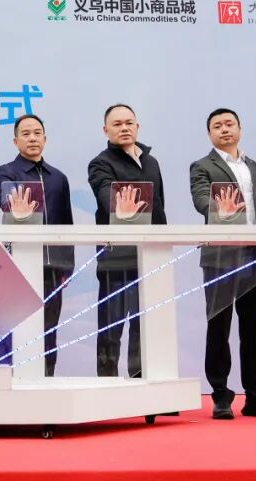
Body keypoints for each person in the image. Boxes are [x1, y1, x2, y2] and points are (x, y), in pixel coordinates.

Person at [189, 108, 256, 420]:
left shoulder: (252, 166)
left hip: (254, 255)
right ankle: (220, 395)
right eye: (217, 126)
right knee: (219, 326)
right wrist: (219, 208)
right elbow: (201, 200)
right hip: (220, 257)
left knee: (253, 328)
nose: (224, 129)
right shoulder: (202, 166)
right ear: (209, 134)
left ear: (239, 129)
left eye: (229, 124)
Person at [86, 103, 166, 378]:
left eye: (129, 123)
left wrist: (162, 247)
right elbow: (105, 194)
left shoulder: (151, 162)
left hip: (150, 258)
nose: (124, 128)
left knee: (146, 329)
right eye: (117, 124)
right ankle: (107, 388)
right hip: (116, 261)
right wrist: (118, 205)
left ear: (137, 126)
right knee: (111, 331)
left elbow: (159, 209)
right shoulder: (100, 163)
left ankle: (143, 386)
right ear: (105, 130)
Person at [0, 114, 74, 374]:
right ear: (15, 141)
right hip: (17, 267)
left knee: (48, 332)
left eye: (37, 133)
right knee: (13, 330)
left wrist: (66, 266)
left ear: (45, 139)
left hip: (51, 269)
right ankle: (9, 384)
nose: (32, 138)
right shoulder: (7, 172)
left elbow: (66, 224)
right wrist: (15, 208)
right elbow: (6, 202)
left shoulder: (59, 178)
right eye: (26, 134)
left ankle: (45, 383)